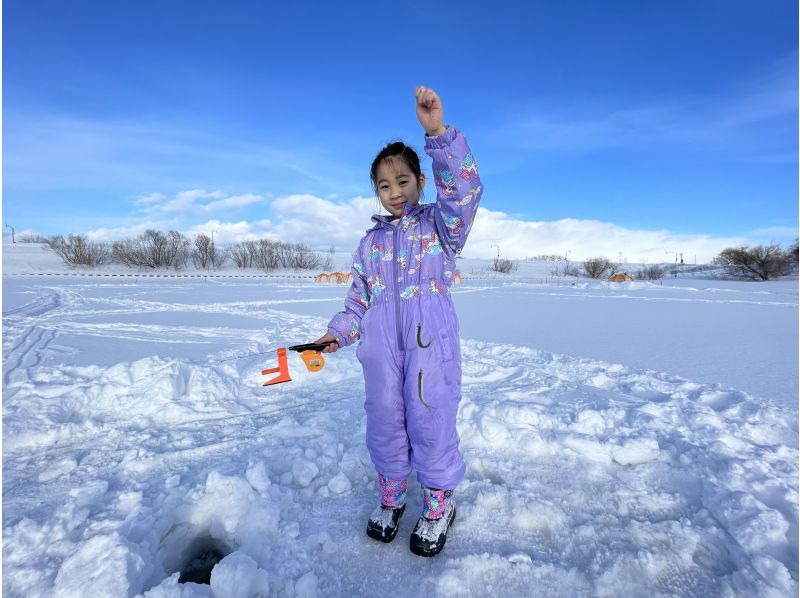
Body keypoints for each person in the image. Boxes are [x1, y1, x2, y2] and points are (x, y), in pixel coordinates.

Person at [315, 85, 482, 557]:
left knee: (431, 419)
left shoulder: (439, 227)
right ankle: (392, 496)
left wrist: (438, 135)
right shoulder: (369, 245)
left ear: (421, 182)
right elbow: (357, 302)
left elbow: (465, 192)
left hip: (430, 343)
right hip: (381, 351)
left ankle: (437, 502)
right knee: (385, 420)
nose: (394, 192)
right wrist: (337, 333)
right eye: (384, 185)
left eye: (403, 181)